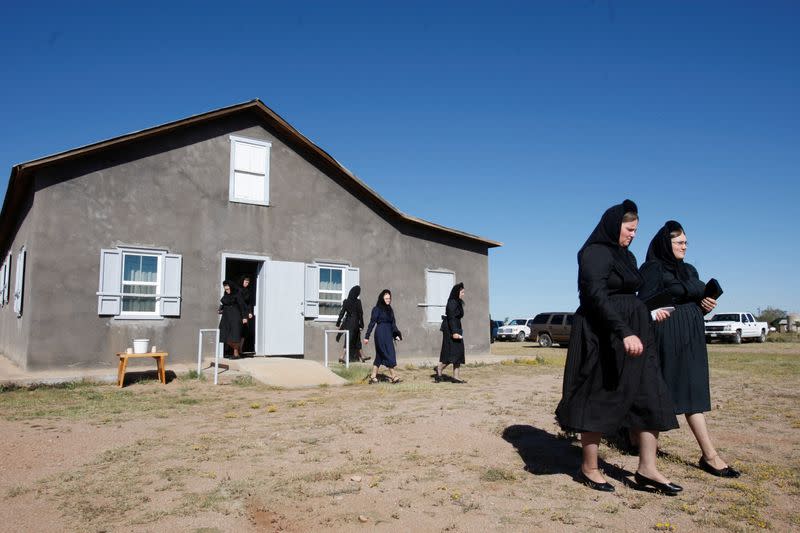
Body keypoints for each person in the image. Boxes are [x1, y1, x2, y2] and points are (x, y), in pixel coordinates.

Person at [555, 199, 682, 495]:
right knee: (600, 395)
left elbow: (629, 297)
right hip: (605, 333)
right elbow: (595, 296)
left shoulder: (628, 257)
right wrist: (623, 331)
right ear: (614, 225)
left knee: (651, 394)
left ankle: (646, 468)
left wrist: (647, 315)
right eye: (629, 229)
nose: (633, 235)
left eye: (637, 230)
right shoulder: (594, 253)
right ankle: (589, 466)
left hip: (636, 333)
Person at [638, 221, 740, 478]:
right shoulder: (653, 268)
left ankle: (709, 455)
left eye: (686, 242)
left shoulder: (689, 269)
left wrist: (705, 303)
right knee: (660, 394)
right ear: (665, 244)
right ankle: (647, 454)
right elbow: (643, 304)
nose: (684, 246)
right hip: (666, 338)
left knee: (694, 393)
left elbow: (697, 296)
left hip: (692, 338)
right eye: (679, 242)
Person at [364, 289, 403, 384]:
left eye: (389, 298)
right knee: (387, 353)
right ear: (382, 298)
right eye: (386, 298)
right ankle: (394, 376)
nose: (388, 300)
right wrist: (367, 336)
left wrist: (396, 334)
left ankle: (373, 376)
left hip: (388, 334)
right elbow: (372, 323)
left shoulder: (390, 309)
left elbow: (393, 324)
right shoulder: (377, 309)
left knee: (380, 356)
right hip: (380, 333)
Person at [436, 282, 466, 383]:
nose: (463, 294)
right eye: (462, 292)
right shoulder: (452, 302)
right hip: (451, 329)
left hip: (456, 328)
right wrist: (454, 332)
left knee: (458, 353)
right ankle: (439, 369)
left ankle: (456, 377)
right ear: (457, 292)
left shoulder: (457, 302)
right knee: (451, 353)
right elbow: (452, 318)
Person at [336, 285, 370, 363]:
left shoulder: (346, 301)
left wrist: (338, 323)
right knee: (352, 340)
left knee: (355, 339)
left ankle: (362, 356)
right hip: (355, 323)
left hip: (348, 323)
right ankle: (342, 356)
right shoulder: (358, 302)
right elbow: (361, 314)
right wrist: (362, 324)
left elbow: (342, 313)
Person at [218, 280, 248, 359]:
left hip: (235, 317)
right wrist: (220, 309)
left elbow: (242, 306)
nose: (226, 289)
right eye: (225, 287)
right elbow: (223, 304)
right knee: (224, 334)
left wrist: (244, 317)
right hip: (226, 317)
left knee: (234, 336)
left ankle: (235, 353)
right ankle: (237, 351)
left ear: (231, 286)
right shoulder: (226, 295)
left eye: (227, 287)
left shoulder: (237, 294)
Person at [239, 275, 255, 354]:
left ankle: (240, 349)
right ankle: (235, 350)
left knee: (244, 331)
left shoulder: (248, 291)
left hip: (246, 312)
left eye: (248, 282)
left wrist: (250, 312)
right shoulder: (238, 290)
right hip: (238, 312)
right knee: (237, 331)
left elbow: (249, 303)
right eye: (246, 282)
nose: (247, 284)